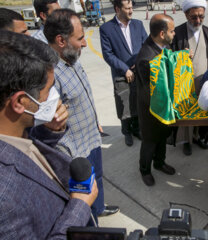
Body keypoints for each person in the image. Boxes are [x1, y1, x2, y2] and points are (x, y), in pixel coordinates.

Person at [0, 30, 98, 239]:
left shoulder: (14, 131)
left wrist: (49, 129)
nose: (54, 97)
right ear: (19, 102)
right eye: (48, 91)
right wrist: (79, 206)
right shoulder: (3, 200)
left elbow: (27, 149)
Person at [44, 9, 119, 219]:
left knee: (99, 180)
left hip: (91, 137)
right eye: (80, 38)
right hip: (75, 152)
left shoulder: (71, 57)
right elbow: (51, 124)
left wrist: (96, 121)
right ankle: (90, 221)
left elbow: (83, 94)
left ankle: (99, 209)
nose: (85, 43)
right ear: (61, 40)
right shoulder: (49, 74)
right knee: (83, 194)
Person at [171, 0, 208, 156]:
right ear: (186, 14)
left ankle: (198, 137)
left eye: (201, 16)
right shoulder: (177, 33)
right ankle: (186, 141)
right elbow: (166, 56)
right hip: (184, 85)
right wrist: (180, 56)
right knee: (186, 114)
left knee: (202, 112)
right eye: (194, 17)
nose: (198, 20)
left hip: (204, 83)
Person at [135, 14, 176, 186]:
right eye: (172, 31)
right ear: (162, 33)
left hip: (162, 107)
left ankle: (159, 163)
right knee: (150, 141)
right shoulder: (147, 58)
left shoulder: (161, 48)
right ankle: (145, 170)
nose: (174, 34)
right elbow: (148, 92)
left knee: (162, 137)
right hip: (151, 110)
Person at [100, 0, 147, 147]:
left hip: (138, 72)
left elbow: (146, 45)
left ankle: (137, 128)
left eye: (131, 7)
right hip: (121, 74)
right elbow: (108, 54)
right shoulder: (106, 29)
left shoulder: (138, 25)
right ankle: (126, 132)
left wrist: (139, 62)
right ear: (117, 9)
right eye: (127, 8)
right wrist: (124, 69)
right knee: (124, 104)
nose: (131, 11)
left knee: (138, 101)